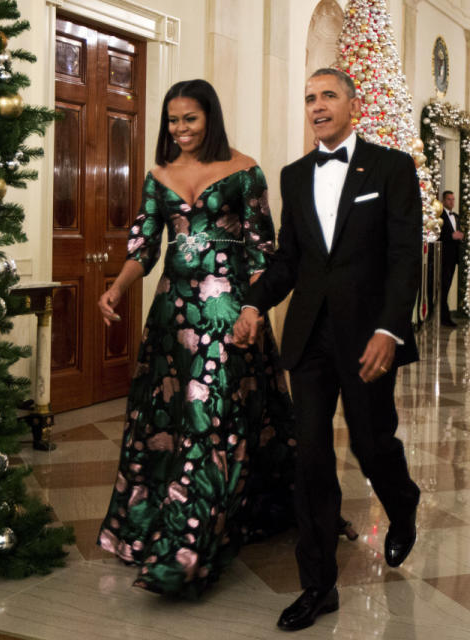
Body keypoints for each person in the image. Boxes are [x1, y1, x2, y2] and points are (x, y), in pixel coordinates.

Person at [233, 67, 422, 632]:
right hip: (310, 337)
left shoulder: (391, 167)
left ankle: (403, 500)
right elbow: (290, 259)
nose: (317, 106)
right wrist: (253, 302)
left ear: (353, 106)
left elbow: (404, 256)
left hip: (368, 338)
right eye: (310, 98)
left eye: (328, 96)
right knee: (309, 456)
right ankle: (318, 585)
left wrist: (390, 330)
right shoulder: (294, 176)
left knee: (371, 443)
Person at [95, 79, 296, 598]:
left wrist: (252, 310)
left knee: (210, 419)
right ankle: (159, 525)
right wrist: (117, 288)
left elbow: (262, 250)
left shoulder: (244, 170)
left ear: (211, 118)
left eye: (190, 118)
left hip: (228, 313)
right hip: (171, 316)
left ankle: (187, 550)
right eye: (173, 120)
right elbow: (144, 245)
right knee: (171, 416)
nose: (180, 129)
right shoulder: (158, 175)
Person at [438, 190, 464, 327]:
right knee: (442, 287)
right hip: (442, 257)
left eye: (453, 199)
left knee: (446, 288)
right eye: (449, 199)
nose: (452, 202)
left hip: (453, 258)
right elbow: (437, 235)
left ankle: (444, 317)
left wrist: (460, 236)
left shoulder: (457, 217)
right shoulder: (439, 215)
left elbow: (456, 233)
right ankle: (443, 317)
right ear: (443, 200)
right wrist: (451, 236)